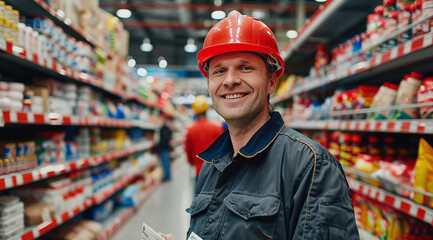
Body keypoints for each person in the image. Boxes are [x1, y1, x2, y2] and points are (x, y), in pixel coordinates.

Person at [160, 10, 359, 240]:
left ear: (271, 81)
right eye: (219, 70)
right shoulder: (211, 167)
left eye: (245, 67)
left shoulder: (311, 166)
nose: (230, 80)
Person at [184, 95, 224, 182]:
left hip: (199, 171)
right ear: (207, 110)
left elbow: (188, 151)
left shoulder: (190, 130)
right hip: (216, 170)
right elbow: (223, 149)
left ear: (195, 112)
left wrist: (193, 162)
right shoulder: (216, 128)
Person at [158, 115, 173, 181]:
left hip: (164, 148)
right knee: (166, 162)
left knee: (165, 162)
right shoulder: (166, 128)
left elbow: (163, 139)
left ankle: (167, 176)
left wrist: (159, 147)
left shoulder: (164, 129)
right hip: (166, 147)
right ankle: (168, 175)